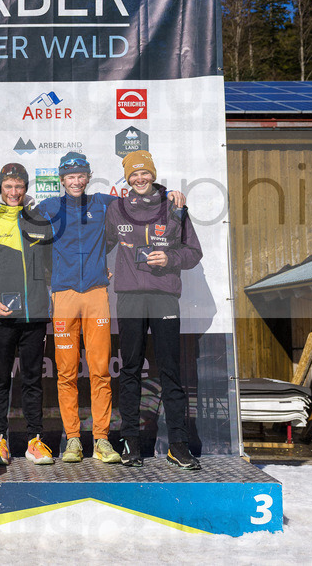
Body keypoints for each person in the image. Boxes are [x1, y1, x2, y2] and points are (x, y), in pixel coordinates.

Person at [34, 151, 185, 464]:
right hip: (63, 297)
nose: (76, 182)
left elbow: (141, 199)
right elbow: (25, 232)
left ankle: (102, 439)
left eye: (81, 176)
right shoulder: (48, 207)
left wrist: (167, 194)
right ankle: (73, 440)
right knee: (66, 372)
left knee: (101, 371)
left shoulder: (105, 202)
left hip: (96, 295)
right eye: (70, 177)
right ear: (62, 180)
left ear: (88, 177)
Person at [104, 150, 203, 470]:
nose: (140, 178)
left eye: (145, 173)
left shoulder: (174, 207)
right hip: (130, 297)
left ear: (153, 174)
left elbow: (193, 253)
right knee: (130, 369)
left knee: (171, 371)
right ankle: (131, 442)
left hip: (163, 297)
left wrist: (170, 260)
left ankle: (178, 444)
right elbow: (98, 243)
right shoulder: (117, 209)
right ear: (127, 178)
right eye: (134, 174)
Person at [0, 163, 54, 465]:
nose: (14, 192)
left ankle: (34, 441)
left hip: (36, 315)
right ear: (0, 189)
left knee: (32, 380)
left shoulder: (40, 221)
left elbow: (54, 264)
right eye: (8, 186)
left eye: (19, 186)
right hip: (2, 316)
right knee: (0, 379)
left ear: (25, 188)